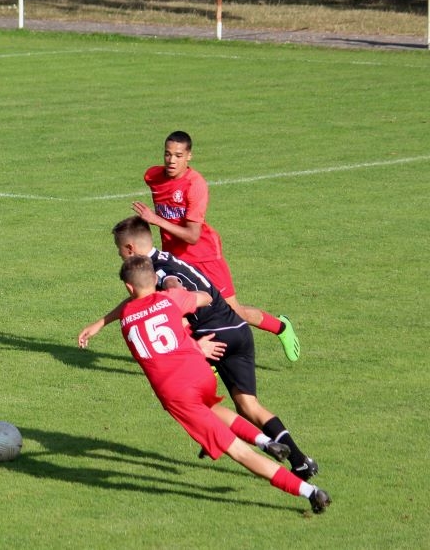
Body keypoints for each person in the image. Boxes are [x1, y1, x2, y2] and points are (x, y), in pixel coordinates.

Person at [78, 255, 331, 514]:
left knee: (240, 454)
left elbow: (133, 308)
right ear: (155, 280)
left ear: (129, 288)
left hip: (177, 394)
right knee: (211, 407)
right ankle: (266, 441)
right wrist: (178, 291)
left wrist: (99, 323)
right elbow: (205, 298)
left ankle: (310, 492)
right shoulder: (170, 299)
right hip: (201, 376)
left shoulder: (127, 317)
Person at [133, 130, 301, 362]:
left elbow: (192, 236)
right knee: (176, 308)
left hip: (205, 256)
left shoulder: (195, 185)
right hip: (175, 259)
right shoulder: (153, 176)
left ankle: (281, 327)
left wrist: (156, 220)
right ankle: (200, 359)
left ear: (189, 156)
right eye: (168, 154)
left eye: (179, 155)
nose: (172, 160)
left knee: (233, 313)